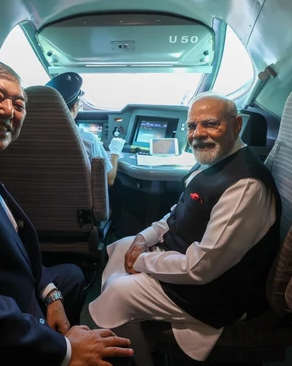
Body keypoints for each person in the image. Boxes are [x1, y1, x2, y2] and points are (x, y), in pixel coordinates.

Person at [0, 59, 133, 366]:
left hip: (21, 278)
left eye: (19, 105)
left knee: (72, 275)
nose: (9, 111)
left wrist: (50, 292)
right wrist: (66, 350)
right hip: (4, 314)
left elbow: (13, 234)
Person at [88, 92, 281, 366]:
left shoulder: (245, 186)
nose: (198, 134)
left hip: (217, 290)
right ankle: (134, 326)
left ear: (236, 125)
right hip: (186, 254)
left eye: (210, 124)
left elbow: (201, 267)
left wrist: (141, 261)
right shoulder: (213, 161)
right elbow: (178, 212)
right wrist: (145, 237)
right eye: (192, 126)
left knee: (117, 293)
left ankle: (140, 357)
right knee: (122, 245)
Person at [46, 72, 125, 186]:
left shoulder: (25, 136)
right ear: (74, 107)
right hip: (76, 197)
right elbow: (109, 180)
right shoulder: (89, 139)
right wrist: (115, 153)